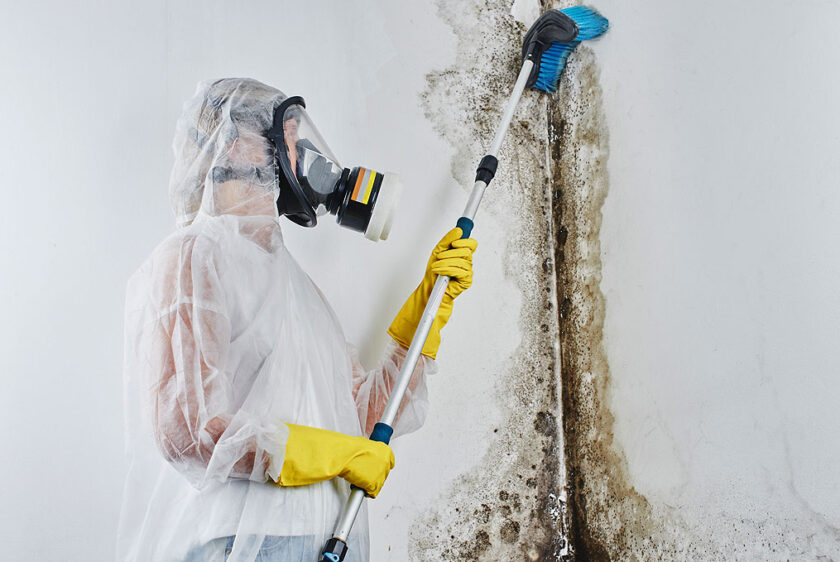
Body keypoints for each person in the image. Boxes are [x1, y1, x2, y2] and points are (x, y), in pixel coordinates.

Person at [117, 78, 477, 562]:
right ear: (231, 144)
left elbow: (364, 422)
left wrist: (427, 311)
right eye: (284, 132)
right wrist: (328, 456)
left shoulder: (298, 288)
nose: (299, 146)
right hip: (241, 543)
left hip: (333, 541)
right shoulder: (195, 256)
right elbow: (186, 427)